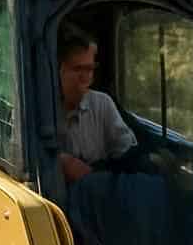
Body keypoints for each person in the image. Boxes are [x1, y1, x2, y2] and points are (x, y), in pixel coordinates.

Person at [56, 25, 137, 182]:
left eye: (90, 69)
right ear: (59, 69)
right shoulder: (39, 108)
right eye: (78, 69)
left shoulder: (102, 103)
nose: (86, 78)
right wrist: (61, 161)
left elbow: (127, 154)